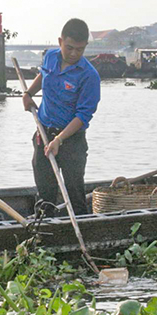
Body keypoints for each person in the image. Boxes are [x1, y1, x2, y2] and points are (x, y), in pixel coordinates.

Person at [22, 18, 101, 217]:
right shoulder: (50, 57)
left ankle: (81, 226)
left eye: (80, 50)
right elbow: (43, 76)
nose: (74, 54)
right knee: (44, 192)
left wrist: (59, 139)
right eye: (69, 48)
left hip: (71, 141)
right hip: (43, 133)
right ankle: (44, 231)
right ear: (60, 42)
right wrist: (28, 94)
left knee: (74, 191)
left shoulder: (89, 76)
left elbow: (83, 116)